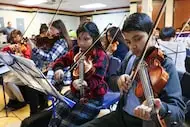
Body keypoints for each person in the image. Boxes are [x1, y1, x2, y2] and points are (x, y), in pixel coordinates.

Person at [80, 13, 186, 127]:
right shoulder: (130, 56)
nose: (132, 47)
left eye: (138, 38)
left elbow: (179, 113)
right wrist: (118, 80)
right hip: (121, 116)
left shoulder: (165, 64)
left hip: (145, 124)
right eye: (128, 42)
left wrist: (161, 108)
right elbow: (111, 80)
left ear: (152, 34)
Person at [48, 21, 108, 127]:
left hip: (93, 98)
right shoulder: (76, 51)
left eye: (86, 39)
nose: (81, 43)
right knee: (55, 116)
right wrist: (59, 69)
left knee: (66, 124)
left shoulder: (101, 55)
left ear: (94, 38)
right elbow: (61, 60)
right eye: (79, 38)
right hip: (75, 93)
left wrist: (85, 83)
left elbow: (97, 79)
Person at [28, 19, 73, 115]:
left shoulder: (61, 42)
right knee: (33, 83)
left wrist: (34, 48)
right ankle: (41, 109)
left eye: (52, 29)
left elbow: (49, 58)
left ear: (59, 30)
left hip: (59, 75)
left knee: (32, 87)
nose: (49, 31)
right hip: (51, 70)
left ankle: (35, 114)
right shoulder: (55, 40)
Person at [1, 29, 31, 110]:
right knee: (4, 82)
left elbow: (27, 60)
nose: (14, 39)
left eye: (16, 37)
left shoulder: (26, 46)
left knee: (10, 82)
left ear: (20, 36)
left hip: (25, 72)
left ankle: (21, 101)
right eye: (13, 38)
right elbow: (2, 52)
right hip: (16, 71)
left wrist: (21, 56)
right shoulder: (14, 46)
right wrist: (9, 47)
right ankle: (13, 99)